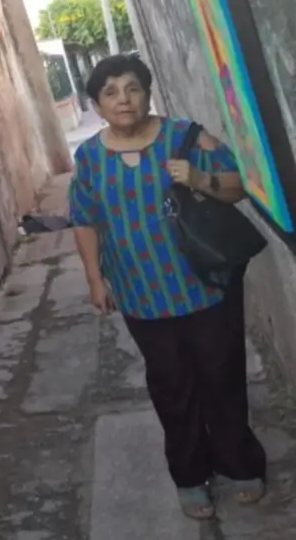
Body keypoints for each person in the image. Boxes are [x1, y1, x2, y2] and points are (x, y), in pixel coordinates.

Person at [68, 54, 266, 519]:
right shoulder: (90, 158)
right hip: (142, 295)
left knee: (221, 376)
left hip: (206, 287)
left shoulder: (187, 137)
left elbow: (239, 186)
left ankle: (240, 464)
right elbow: (84, 219)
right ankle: (190, 476)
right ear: (96, 105)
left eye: (132, 88)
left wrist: (199, 178)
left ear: (148, 94)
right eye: (111, 92)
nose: (123, 99)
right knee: (172, 387)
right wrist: (95, 278)